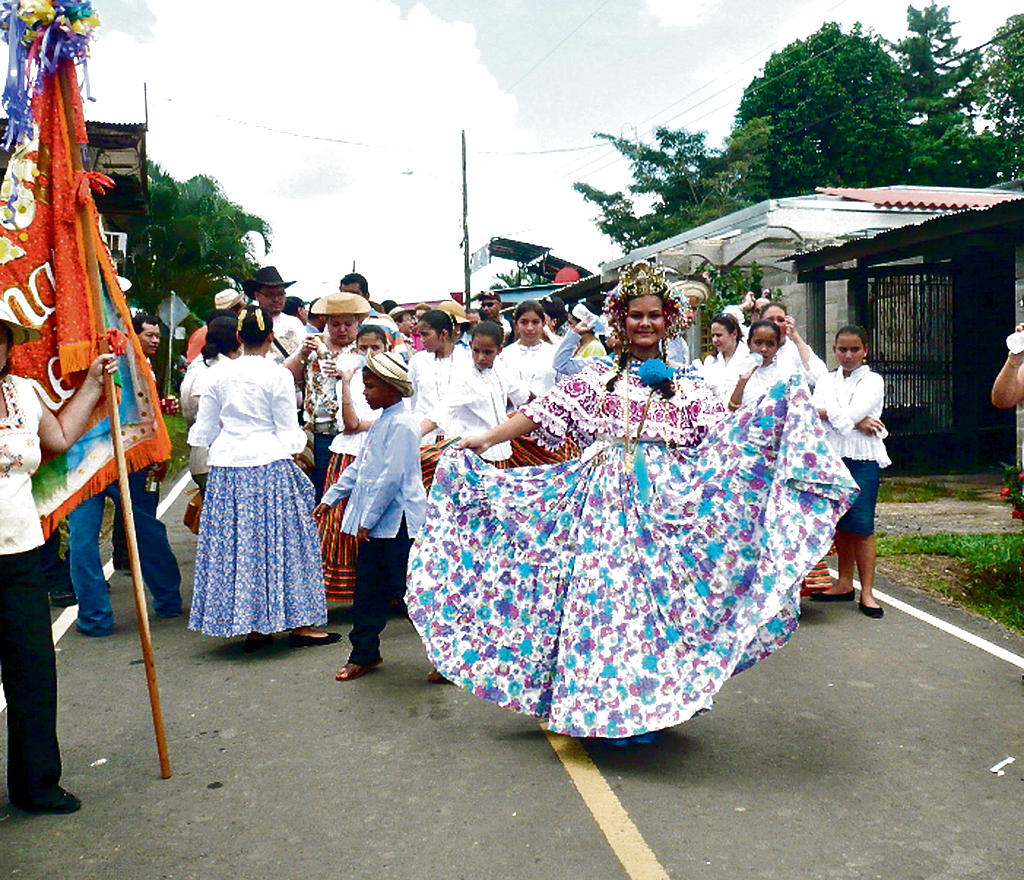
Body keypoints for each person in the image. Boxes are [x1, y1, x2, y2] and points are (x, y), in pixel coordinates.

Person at [405, 261, 856, 744]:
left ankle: (648, 703)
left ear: (669, 321)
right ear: (620, 320)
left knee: (651, 606)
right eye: (636, 315)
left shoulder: (687, 385)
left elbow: (724, 436)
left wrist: (780, 411)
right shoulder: (595, 378)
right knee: (603, 602)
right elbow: (538, 414)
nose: (645, 323)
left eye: (654, 316)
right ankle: (597, 705)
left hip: (662, 508)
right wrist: (482, 439)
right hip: (600, 504)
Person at [1, 305, 118, 812]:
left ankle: (36, 784)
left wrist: (93, 381)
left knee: (32, 669)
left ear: (8, 347)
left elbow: (60, 437)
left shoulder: (22, 394)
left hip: (21, 555)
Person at [187, 306, 338, 651]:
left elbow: (204, 429)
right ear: (270, 337)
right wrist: (299, 447)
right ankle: (298, 624)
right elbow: (287, 430)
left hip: (226, 466)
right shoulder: (277, 375)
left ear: (239, 338)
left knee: (239, 546)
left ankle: (254, 626)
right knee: (283, 545)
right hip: (268, 462)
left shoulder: (216, 375)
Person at [314, 351, 427, 682]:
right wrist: (331, 497)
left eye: (371, 387)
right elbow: (362, 467)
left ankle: (442, 657)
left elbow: (391, 478)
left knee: (410, 594)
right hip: (378, 524)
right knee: (367, 591)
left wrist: (367, 519)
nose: (365, 393)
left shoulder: (404, 425)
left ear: (392, 389)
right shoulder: (383, 422)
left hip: (399, 524)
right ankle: (364, 652)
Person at [810, 326, 890, 618]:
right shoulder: (825, 380)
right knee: (841, 523)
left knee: (862, 525)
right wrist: (854, 420)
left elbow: (853, 411)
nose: (847, 355)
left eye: (854, 349)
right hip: (831, 457)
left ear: (865, 350)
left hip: (862, 458)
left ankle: (867, 592)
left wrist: (843, 416)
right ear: (834, 350)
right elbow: (812, 411)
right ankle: (844, 582)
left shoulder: (874, 380)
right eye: (842, 349)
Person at [318, 324, 388, 603]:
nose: (369, 353)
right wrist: (346, 382)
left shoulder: (395, 378)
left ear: (387, 349)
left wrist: (365, 425)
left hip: (380, 454)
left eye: (376, 348)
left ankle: (382, 589)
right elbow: (349, 423)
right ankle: (345, 589)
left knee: (378, 524)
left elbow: (395, 417)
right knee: (338, 523)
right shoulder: (346, 376)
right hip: (348, 455)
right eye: (363, 348)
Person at [284, 292, 370, 500]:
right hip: (318, 432)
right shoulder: (313, 343)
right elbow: (285, 376)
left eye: (348, 324)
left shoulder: (363, 347)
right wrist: (303, 354)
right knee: (319, 489)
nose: (342, 330)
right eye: (336, 324)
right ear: (326, 323)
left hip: (354, 433)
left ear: (357, 323)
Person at [439, 321, 528, 464]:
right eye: (476, 350)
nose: (481, 357)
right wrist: (416, 433)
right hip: (472, 452)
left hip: (500, 448)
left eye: (488, 352)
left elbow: (523, 394)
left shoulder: (500, 369)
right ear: (470, 347)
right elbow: (441, 411)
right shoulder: (463, 376)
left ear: (499, 350)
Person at [180, 315, 242, 494]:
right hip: (223, 459)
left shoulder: (196, 368)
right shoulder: (230, 372)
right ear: (238, 339)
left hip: (200, 459)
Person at [408, 309, 469, 443]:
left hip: (458, 436)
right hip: (424, 437)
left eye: (425, 335)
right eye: (420, 335)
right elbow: (412, 399)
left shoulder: (466, 359)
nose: (422, 340)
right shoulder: (417, 361)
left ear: (443, 334)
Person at [242, 266, 306, 363]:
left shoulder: (295, 323)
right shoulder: (249, 323)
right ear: (257, 295)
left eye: (280, 294)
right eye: (270, 294)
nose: (276, 299)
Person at [498, 300, 557, 401]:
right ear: (515, 324)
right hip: (514, 414)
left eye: (535, 322)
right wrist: (522, 397)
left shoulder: (554, 354)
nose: (530, 328)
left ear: (543, 324)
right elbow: (498, 391)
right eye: (524, 322)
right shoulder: (504, 356)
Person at [761, 302, 826, 388]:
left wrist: (796, 337)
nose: (775, 324)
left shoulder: (795, 349)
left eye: (780, 320)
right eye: (770, 320)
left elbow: (820, 378)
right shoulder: (751, 348)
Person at [727, 319, 784, 410]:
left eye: (770, 344)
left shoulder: (782, 373)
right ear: (749, 343)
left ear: (777, 347)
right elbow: (731, 408)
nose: (764, 349)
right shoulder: (737, 368)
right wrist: (741, 383)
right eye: (758, 343)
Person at [701, 312, 755, 404]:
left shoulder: (750, 359)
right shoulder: (710, 361)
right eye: (713, 335)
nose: (714, 340)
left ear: (734, 333)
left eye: (719, 335)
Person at [185, 289, 244, 363]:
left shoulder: (198, 333)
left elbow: (191, 363)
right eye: (242, 307)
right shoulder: (236, 332)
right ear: (235, 311)